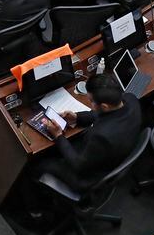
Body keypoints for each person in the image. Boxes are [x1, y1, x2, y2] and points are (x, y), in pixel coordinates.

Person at [28, 73, 142, 216]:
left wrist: (58, 136)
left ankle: (36, 211)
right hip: (109, 156)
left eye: (91, 101)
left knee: (36, 164)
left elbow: (79, 166)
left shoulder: (102, 137)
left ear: (104, 106)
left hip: (86, 177)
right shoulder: (131, 100)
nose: (90, 104)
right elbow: (106, 116)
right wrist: (78, 117)